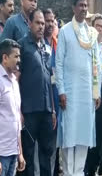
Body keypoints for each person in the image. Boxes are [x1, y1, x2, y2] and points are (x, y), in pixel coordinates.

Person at [55, 0, 101, 176]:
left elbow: (96, 64)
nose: (84, 8)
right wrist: (61, 91)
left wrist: (96, 93)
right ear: (74, 8)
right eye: (81, 5)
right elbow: (58, 63)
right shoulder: (65, 31)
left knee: (83, 136)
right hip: (70, 94)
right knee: (69, 137)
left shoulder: (91, 33)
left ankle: (79, 172)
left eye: (86, 5)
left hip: (86, 94)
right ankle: (68, 173)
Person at [18, 9, 56, 176]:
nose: (41, 26)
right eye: (38, 23)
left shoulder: (47, 48)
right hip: (29, 110)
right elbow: (15, 81)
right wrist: (18, 110)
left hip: (47, 111)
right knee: (28, 154)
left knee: (46, 154)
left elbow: (49, 80)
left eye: (43, 23)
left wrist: (53, 109)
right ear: (29, 24)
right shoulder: (21, 46)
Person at [84, 14, 102, 176]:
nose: (100, 29)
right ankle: (88, 166)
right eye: (97, 26)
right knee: (89, 129)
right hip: (88, 91)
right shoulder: (86, 45)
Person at [0, 39, 26, 176]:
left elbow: (16, 120)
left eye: (19, 56)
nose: (19, 60)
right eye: (16, 56)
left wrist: (20, 153)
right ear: (5, 58)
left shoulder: (14, 82)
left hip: (13, 153)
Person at [43, 8, 60, 176]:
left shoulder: (57, 44)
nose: (49, 24)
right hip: (42, 104)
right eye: (46, 21)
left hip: (57, 102)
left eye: (52, 21)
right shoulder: (39, 44)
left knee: (54, 147)